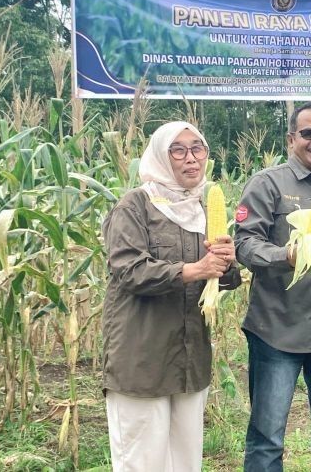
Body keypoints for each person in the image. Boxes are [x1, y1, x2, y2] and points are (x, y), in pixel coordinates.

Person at [102, 121, 241, 472]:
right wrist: (195, 269)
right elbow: (129, 270)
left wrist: (226, 264)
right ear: (161, 157)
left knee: (186, 462)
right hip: (142, 357)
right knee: (142, 462)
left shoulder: (205, 206)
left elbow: (224, 279)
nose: (190, 158)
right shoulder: (135, 205)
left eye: (197, 148)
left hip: (191, 357)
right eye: (177, 150)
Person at [234, 102, 311, 472]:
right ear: (292, 139)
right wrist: (285, 256)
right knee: (268, 435)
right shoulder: (267, 184)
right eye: (308, 133)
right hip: (276, 329)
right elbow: (244, 244)